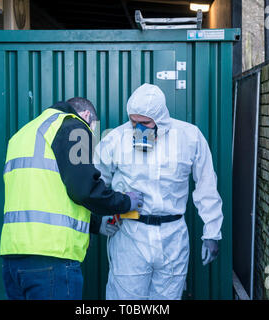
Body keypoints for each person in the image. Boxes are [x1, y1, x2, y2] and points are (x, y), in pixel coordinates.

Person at [0, 97, 143, 300]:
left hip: (13, 258)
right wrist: (126, 202)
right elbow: (84, 189)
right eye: (92, 130)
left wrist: (95, 224)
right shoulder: (73, 126)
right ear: (86, 116)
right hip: (52, 258)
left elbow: (48, 192)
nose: (90, 137)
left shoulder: (23, 135)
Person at [94, 83, 223, 300]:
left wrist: (212, 232)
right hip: (130, 233)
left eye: (144, 123)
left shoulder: (189, 137)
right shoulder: (116, 139)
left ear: (161, 119)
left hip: (173, 236)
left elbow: (206, 186)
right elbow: (95, 181)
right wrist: (103, 214)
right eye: (133, 121)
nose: (137, 128)